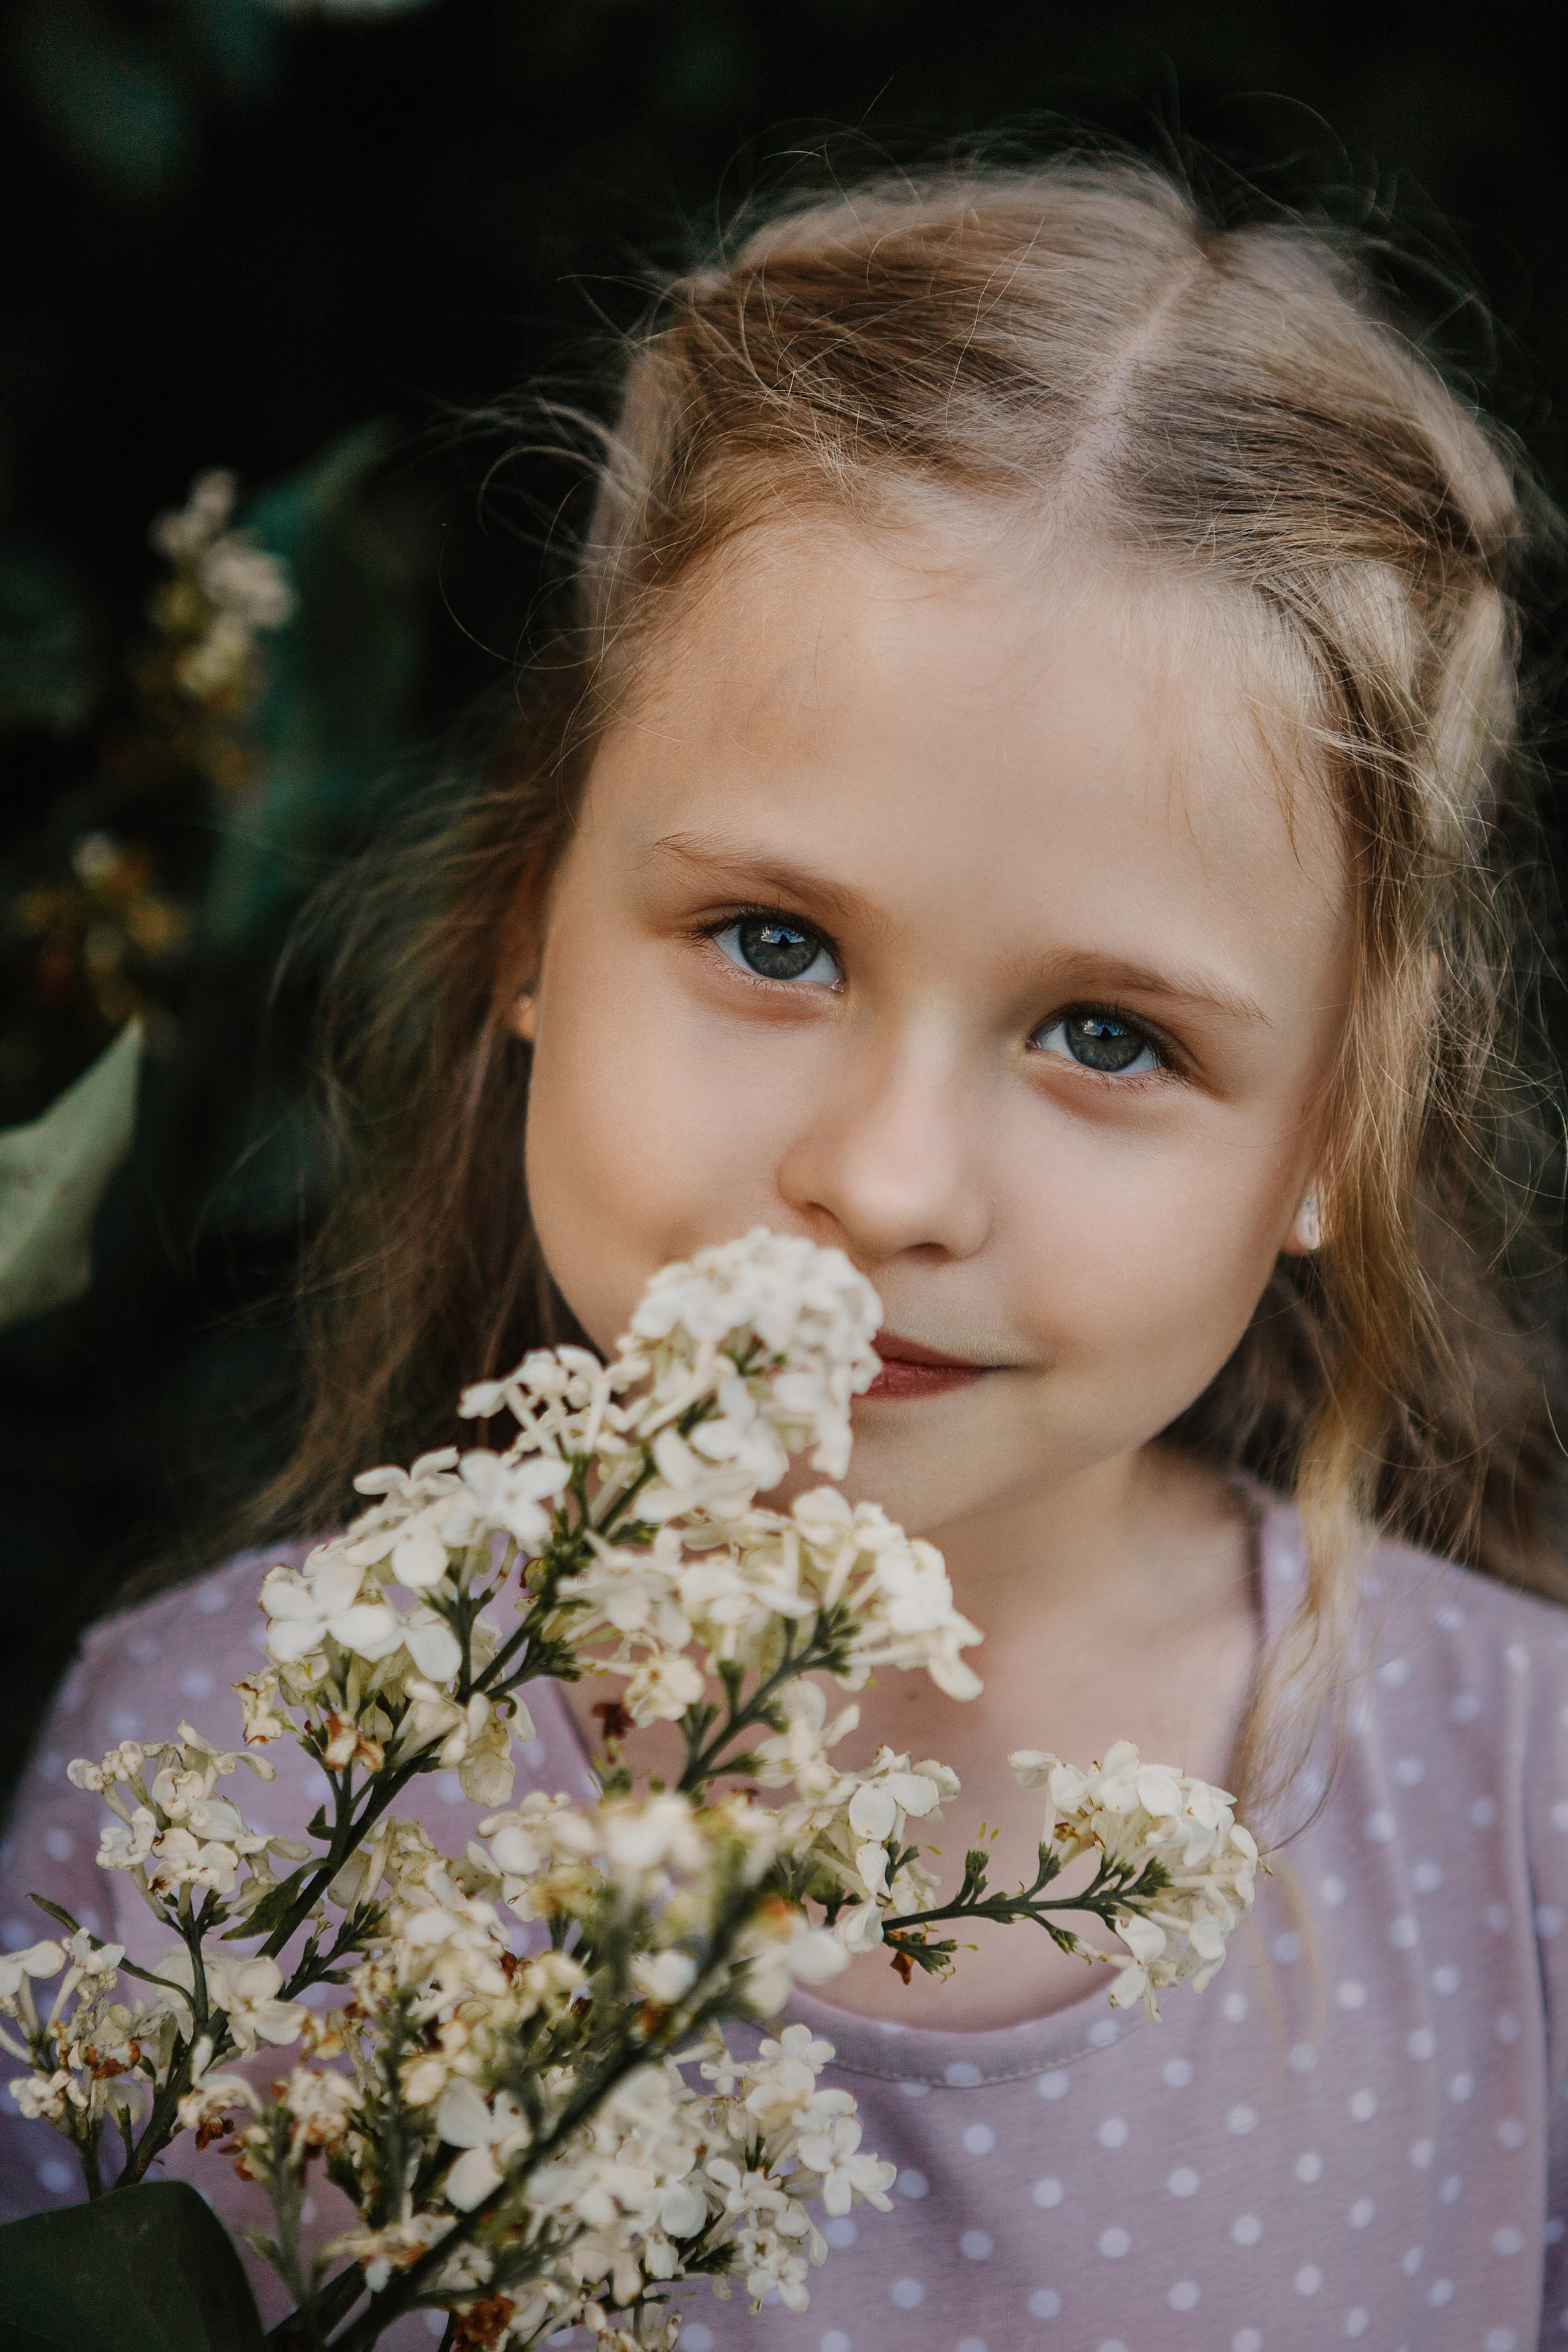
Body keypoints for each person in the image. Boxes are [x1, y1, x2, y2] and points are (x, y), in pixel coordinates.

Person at [4, 152, 1568, 2351]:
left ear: (1335, 1132)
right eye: (774, 941)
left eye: (1107, 1034)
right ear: (533, 920)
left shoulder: (1521, 1823)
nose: (891, 1180)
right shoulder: (218, 1784)